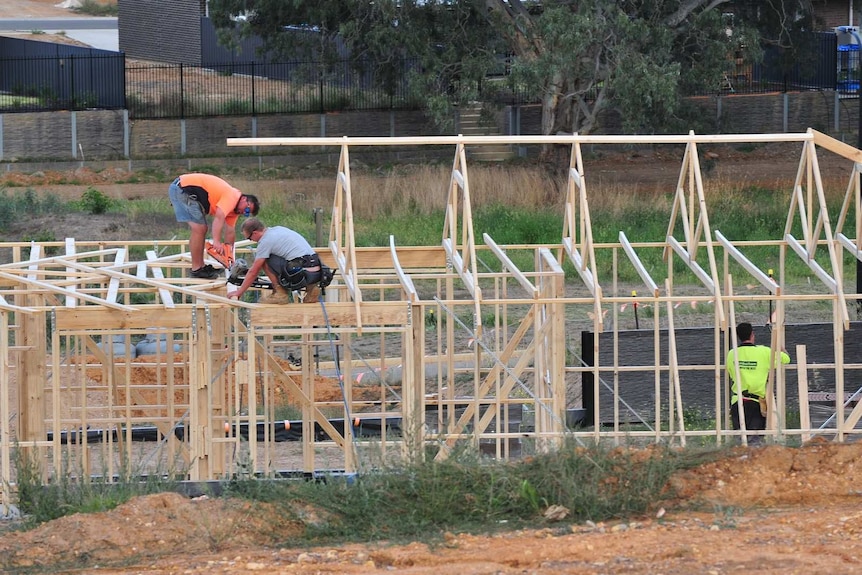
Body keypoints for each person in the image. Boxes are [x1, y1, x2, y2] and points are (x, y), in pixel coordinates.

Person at [169, 173, 260, 279]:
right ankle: (197, 269)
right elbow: (218, 218)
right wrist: (216, 242)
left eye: (247, 213)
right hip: (182, 189)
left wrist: (229, 257)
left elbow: (230, 231)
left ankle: (200, 267)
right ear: (244, 199)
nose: (244, 212)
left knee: (200, 229)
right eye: (247, 209)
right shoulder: (233, 196)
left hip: (186, 191)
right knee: (199, 228)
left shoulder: (234, 211)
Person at [227, 217, 322, 304]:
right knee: (288, 257)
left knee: (263, 260)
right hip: (317, 272)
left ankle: (280, 293)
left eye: (249, 238)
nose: (251, 240)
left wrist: (239, 292)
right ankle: (312, 289)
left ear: (255, 233)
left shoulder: (265, 241)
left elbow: (254, 271)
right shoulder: (279, 229)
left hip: (299, 273)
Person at [725, 322, 790, 444]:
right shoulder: (764, 352)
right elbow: (786, 359)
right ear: (752, 335)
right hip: (755, 404)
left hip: (737, 401)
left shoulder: (731, 354)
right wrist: (780, 346)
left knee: (740, 441)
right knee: (755, 441)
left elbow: (730, 371)